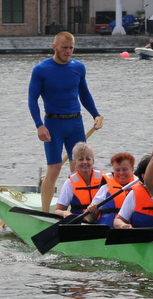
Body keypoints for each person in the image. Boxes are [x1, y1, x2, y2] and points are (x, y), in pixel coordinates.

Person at [28, 31, 103, 213]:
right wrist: (39, 125)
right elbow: (32, 98)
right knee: (54, 168)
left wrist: (95, 114)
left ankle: (79, 210)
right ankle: (45, 212)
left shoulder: (79, 68)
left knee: (79, 168)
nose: (68, 51)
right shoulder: (41, 69)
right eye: (64, 48)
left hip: (75, 123)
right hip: (53, 125)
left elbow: (84, 94)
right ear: (54, 47)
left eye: (71, 48)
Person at [84, 151, 136, 227]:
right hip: (107, 232)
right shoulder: (105, 188)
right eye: (117, 170)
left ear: (132, 169)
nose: (121, 173)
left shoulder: (140, 187)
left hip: (132, 232)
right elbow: (90, 219)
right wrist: (91, 210)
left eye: (125, 170)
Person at [54, 142, 104, 218]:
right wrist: (64, 213)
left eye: (88, 159)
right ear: (75, 164)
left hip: (101, 223)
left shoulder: (103, 180)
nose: (85, 162)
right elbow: (57, 210)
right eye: (80, 159)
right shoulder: (69, 183)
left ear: (93, 162)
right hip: (80, 223)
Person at [113, 154, 153, 229]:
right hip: (140, 236)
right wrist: (123, 225)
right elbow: (118, 220)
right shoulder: (133, 195)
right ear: (144, 176)